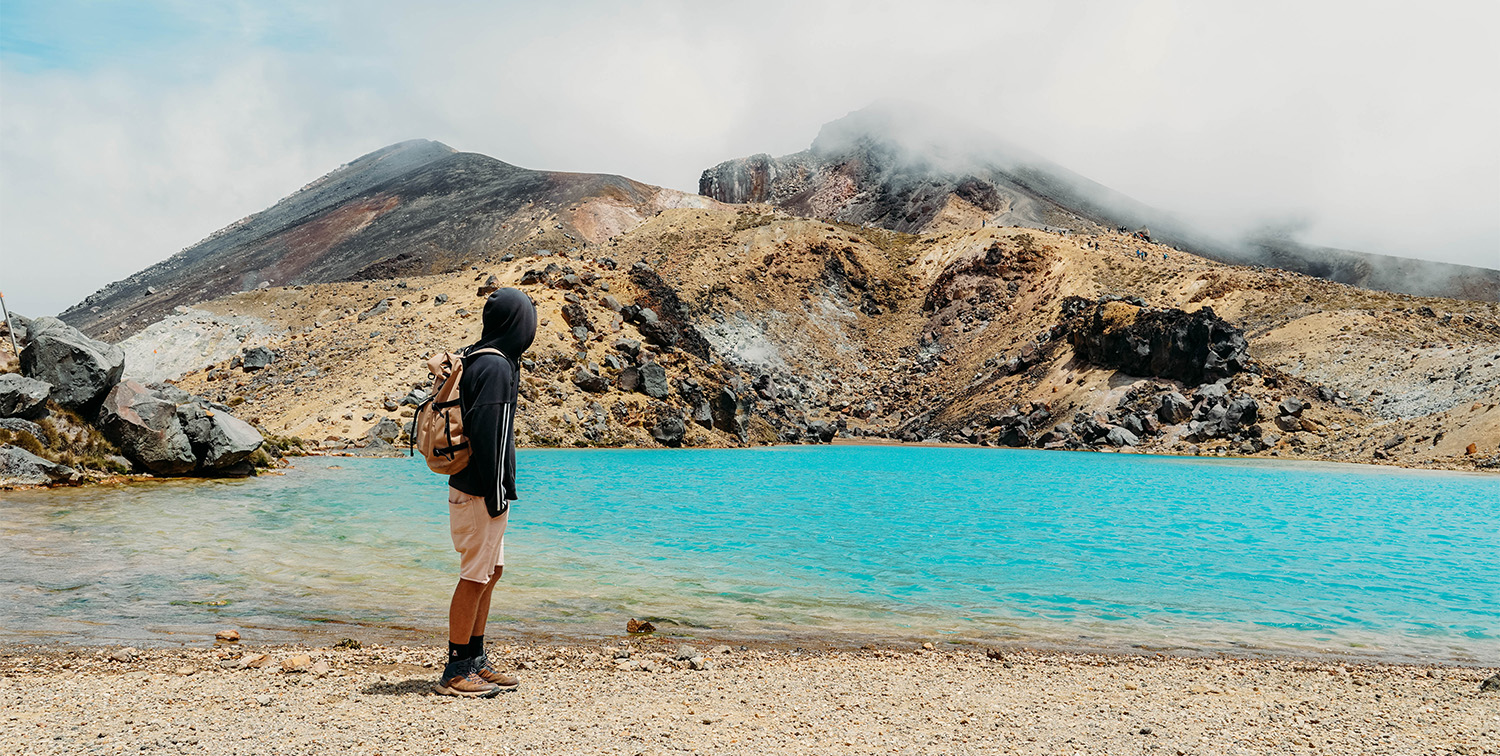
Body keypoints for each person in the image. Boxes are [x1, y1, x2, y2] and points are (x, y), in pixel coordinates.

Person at [436, 287, 537, 698]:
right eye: (529, 319)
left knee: (490, 572)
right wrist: (497, 493)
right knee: (475, 576)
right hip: (480, 492)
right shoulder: (494, 367)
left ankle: (474, 658)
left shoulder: (484, 357)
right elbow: (489, 435)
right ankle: (456, 670)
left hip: (481, 490)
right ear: (517, 324)